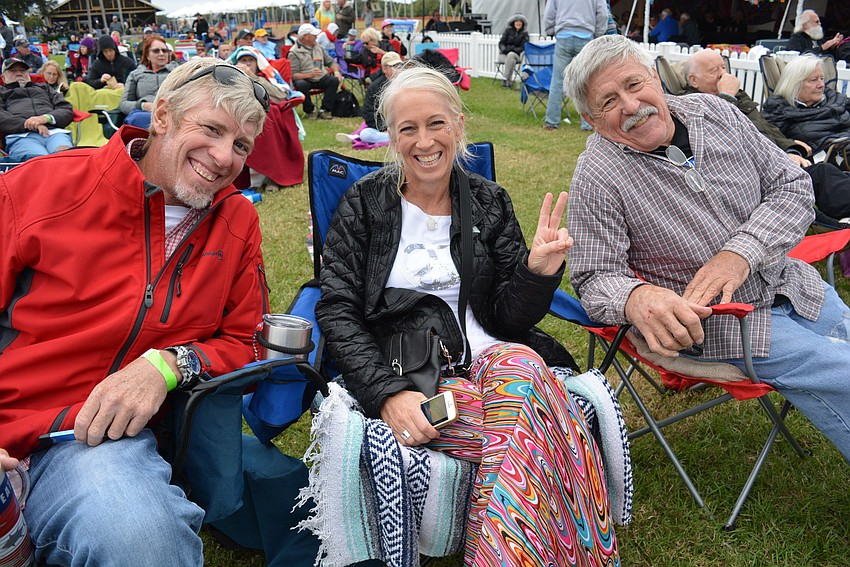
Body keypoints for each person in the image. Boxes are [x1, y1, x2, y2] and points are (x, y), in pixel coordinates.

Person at [316, 63, 618, 567]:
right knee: (535, 421)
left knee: (521, 367)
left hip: (497, 356)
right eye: (407, 128)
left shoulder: (489, 201)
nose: (424, 140)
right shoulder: (364, 205)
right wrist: (387, 396)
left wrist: (537, 272)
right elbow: (337, 308)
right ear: (390, 137)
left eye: (436, 123)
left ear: (458, 125)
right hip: (420, 374)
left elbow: (510, 318)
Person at [0, 57, 269, 567]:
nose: (223, 157)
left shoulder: (236, 220)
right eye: (211, 130)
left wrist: (168, 364)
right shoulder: (35, 189)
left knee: (144, 544)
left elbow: (246, 343)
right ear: (162, 115)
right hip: (8, 419)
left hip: (91, 442)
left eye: (240, 146)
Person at [564, 34, 850, 465]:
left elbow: (792, 187)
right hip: (720, 323)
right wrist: (637, 297)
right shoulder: (597, 175)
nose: (630, 105)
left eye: (635, 84)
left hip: (790, 283)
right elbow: (593, 276)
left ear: (657, 80)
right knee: (840, 369)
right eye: (608, 102)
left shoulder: (716, 113)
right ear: (591, 118)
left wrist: (741, 252)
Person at [684, 49, 850, 223]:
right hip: (747, 175)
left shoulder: (739, 96)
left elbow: (766, 128)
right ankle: (834, 227)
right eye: (714, 71)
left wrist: (789, 148)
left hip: (772, 162)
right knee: (821, 174)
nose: (723, 75)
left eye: (724, 68)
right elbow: (717, 136)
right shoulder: (691, 105)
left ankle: (836, 224)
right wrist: (726, 97)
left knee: (828, 176)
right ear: (694, 80)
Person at [762, 54, 850, 153]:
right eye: (813, 80)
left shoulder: (836, 100)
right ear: (794, 84)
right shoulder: (779, 112)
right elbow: (768, 141)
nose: (821, 85)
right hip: (830, 161)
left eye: (822, 78)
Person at [542, 0, 608, 131]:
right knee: (587, 81)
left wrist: (551, 30)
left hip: (563, 35)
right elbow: (603, 14)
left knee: (557, 81)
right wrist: (599, 33)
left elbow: (549, 13)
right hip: (586, 36)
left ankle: (551, 121)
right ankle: (587, 124)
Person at [0, 57, 74, 160]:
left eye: (22, 70)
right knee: (38, 161)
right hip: (21, 136)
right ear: (3, 78)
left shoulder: (44, 88)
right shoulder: (2, 92)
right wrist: (30, 124)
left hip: (54, 132)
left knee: (66, 157)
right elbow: (2, 117)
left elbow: (65, 108)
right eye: (13, 71)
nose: (19, 73)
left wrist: (46, 118)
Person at [335, 50, 402, 146]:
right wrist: (385, 129)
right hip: (384, 127)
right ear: (384, 69)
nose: (398, 70)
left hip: (406, 126)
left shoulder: (408, 84)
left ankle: (396, 138)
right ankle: (394, 138)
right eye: (394, 66)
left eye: (400, 66)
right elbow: (369, 114)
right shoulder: (375, 88)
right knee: (366, 134)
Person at [120, 36, 178, 128]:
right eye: (156, 51)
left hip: (172, 112)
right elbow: (124, 104)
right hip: (145, 114)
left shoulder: (177, 72)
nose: (161, 54)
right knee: (136, 118)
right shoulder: (136, 74)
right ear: (147, 55)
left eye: (164, 50)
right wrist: (142, 105)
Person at [288, 23, 341, 120]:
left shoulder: (318, 47)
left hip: (321, 77)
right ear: (305, 36)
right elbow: (293, 75)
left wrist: (337, 72)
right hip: (306, 79)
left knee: (333, 80)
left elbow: (331, 62)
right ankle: (310, 111)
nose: (316, 37)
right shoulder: (294, 52)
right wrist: (309, 75)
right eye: (314, 35)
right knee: (300, 84)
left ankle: (325, 110)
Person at [497, 14, 528, 88]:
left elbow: (523, 47)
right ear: (513, 23)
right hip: (504, 55)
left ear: (523, 23)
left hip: (516, 55)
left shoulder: (524, 34)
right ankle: (508, 82)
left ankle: (505, 77)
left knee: (511, 54)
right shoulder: (508, 31)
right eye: (516, 21)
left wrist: (512, 49)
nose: (518, 23)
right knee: (512, 61)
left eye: (520, 21)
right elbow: (501, 43)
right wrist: (505, 50)